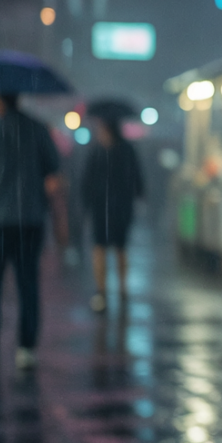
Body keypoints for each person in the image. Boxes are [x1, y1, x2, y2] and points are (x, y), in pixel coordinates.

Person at [0, 89, 68, 368]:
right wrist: (61, 224)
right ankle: (26, 349)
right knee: (28, 284)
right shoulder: (38, 130)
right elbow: (53, 182)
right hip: (30, 222)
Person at [77, 112, 143, 313]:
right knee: (108, 248)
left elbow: (87, 182)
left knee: (112, 248)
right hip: (111, 208)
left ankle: (113, 291)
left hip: (111, 208)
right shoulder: (123, 150)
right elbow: (137, 178)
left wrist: (86, 204)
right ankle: (107, 291)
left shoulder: (100, 151)